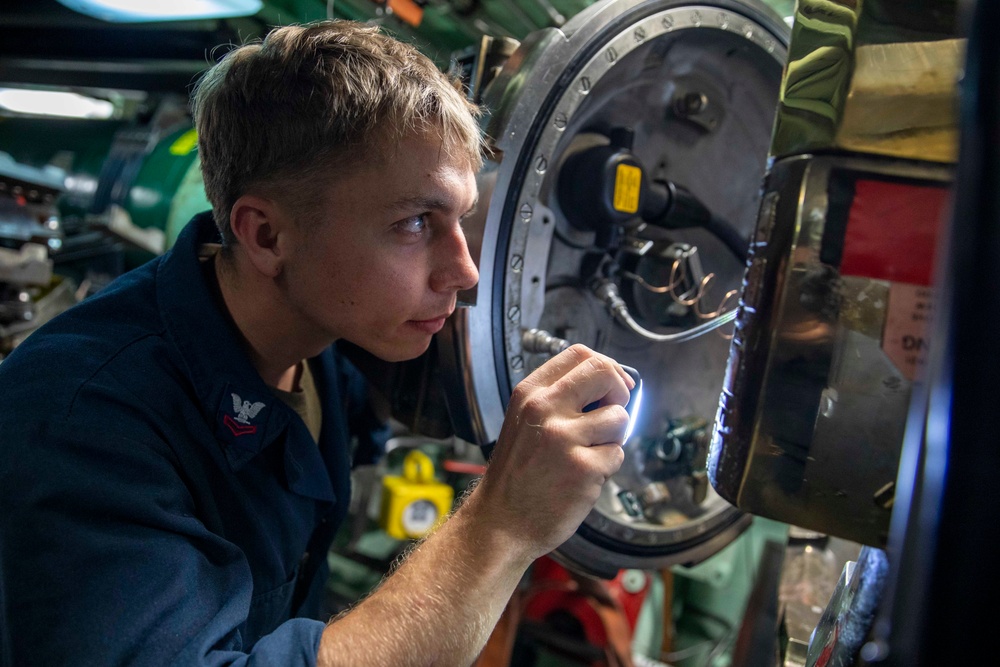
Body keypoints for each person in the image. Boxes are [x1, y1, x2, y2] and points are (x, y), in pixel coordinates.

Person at [0, 20, 634, 666]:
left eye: (460, 219)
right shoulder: (81, 419)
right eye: (416, 222)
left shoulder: (321, 335)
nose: (466, 271)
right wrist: (499, 524)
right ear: (268, 235)